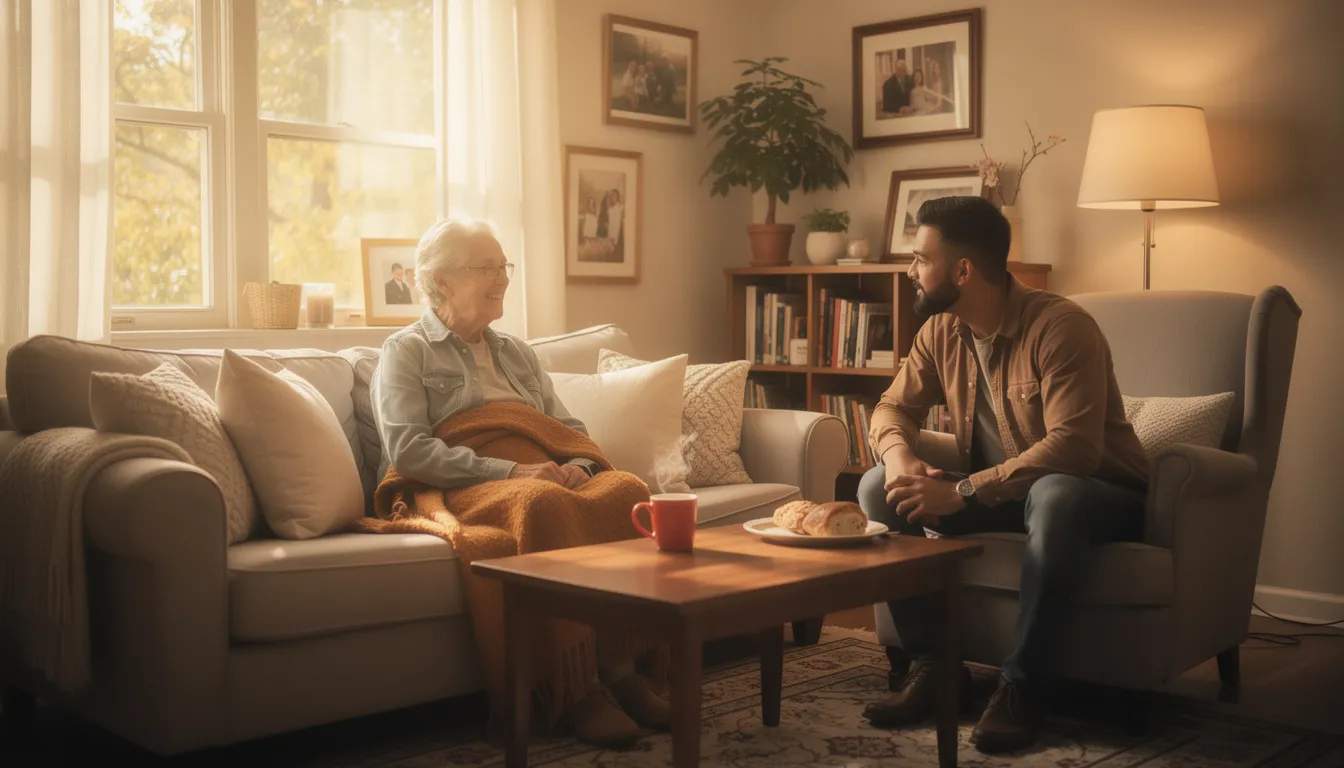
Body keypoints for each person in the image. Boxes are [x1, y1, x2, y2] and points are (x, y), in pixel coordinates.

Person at [858, 196, 1149, 753]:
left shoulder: (1062, 328)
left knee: (1056, 495)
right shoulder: (941, 331)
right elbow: (892, 407)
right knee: (877, 487)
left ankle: (1023, 686)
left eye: (921, 258)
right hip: (1005, 494)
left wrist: (962, 491)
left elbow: (1074, 450)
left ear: (963, 270)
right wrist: (897, 457)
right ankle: (937, 669)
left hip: (1099, 496)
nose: (910, 270)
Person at [370, 218, 669, 746]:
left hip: (541, 471)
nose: (503, 278)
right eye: (486, 268)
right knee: (540, 502)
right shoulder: (407, 350)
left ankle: (622, 672)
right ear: (441, 282)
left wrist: (581, 465)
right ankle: (577, 689)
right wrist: (508, 470)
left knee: (626, 491)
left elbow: (566, 428)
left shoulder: (517, 352)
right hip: (463, 482)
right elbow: (409, 451)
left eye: (503, 265)